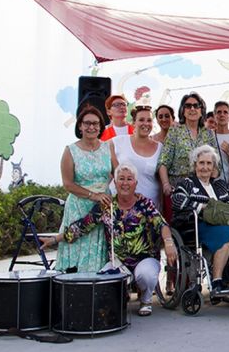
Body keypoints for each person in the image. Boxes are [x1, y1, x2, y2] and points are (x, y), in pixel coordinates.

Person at [42, 164, 176, 316]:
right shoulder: (106, 206)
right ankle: (122, 291)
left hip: (144, 259)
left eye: (129, 179)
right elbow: (82, 226)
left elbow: (162, 224)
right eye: (121, 179)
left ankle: (146, 300)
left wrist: (169, 243)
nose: (125, 183)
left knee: (146, 275)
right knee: (101, 285)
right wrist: (54, 239)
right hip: (117, 263)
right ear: (115, 183)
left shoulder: (144, 203)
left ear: (135, 183)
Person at [172, 145, 229, 292]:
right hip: (199, 225)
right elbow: (177, 200)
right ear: (195, 165)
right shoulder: (187, 183)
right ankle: (217, 280)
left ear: (213, 167)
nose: (205, 167)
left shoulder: (219, 185)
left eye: (209, 163)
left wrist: (225, 208)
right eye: (201, 163)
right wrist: (204, 207)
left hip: (223, 224)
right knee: (226, 235)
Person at [56, 106, 112, 273]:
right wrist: (92, 195)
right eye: (87, 123)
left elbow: (118, 172)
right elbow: (67, 183)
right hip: (78, 207)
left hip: (102, 208)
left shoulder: (108, 148)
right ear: (79, 126)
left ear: (101, 126)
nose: (91, 127)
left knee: (99, 253)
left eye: (95, 123)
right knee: (77, 252)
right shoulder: (70, 150)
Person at [158, 92, 218, 201]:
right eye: (188, 106)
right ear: (183, 110)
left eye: (196, 106)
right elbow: (163, 162)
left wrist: (210, 185)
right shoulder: (174, 131)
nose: (192, 109)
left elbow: (216, 164)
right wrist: (166, 185)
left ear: (201, 110)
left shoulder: (209, 134)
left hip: (203, 192)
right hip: (178, 191)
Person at [110, 105, 162, 213]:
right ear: (134, 123)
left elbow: (162, 180)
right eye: (141, 120)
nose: (146, 124)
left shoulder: (160, 148)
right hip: (121, 207)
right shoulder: (117, 142)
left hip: (149, 210)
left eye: (149, 120)